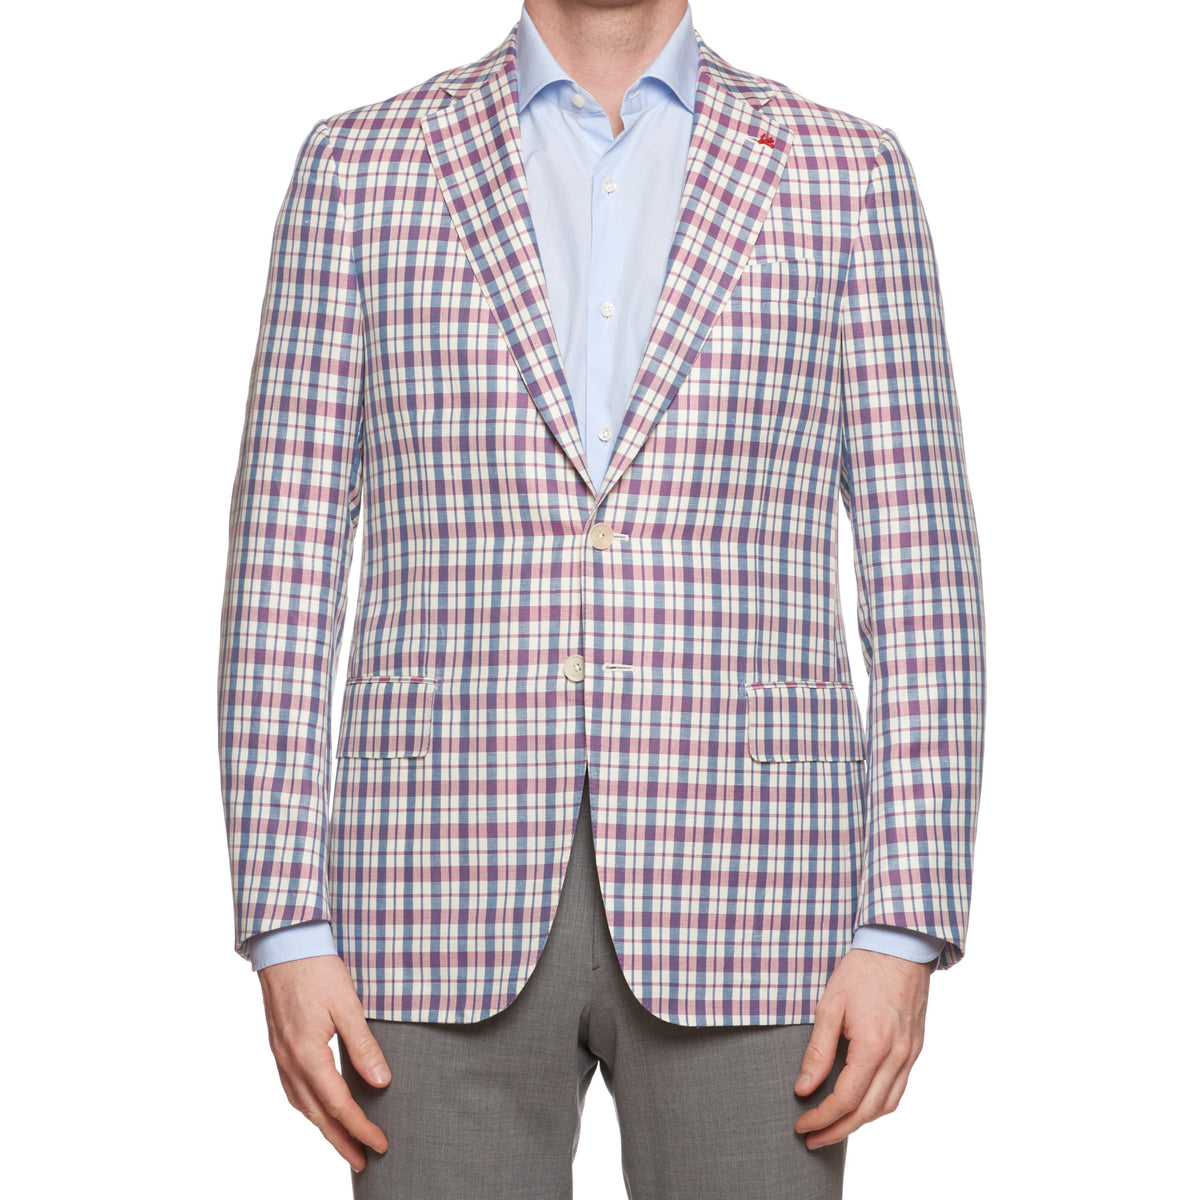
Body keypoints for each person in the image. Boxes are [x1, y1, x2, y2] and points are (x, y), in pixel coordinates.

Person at [217, 2, 986, 1196]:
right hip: (424, 891)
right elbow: (283, 555)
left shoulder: (846, 175)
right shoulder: (360, 168)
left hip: (763, 889)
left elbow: (921, 563)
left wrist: (903, 926)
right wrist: (284, 924)